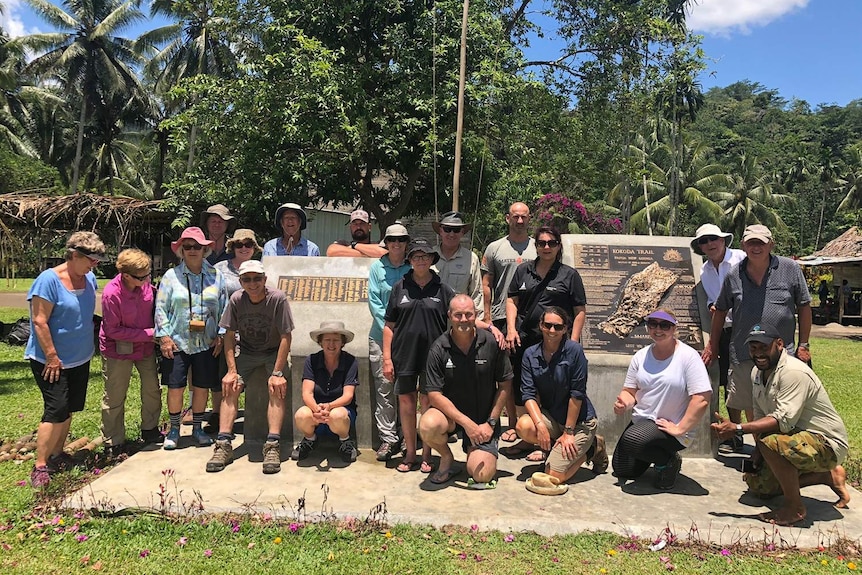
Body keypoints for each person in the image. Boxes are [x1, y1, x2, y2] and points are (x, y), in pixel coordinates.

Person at [712, 323, 850, 526]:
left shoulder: (794, 372)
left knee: (771, 442)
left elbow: (781, 421)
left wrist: (737, 428)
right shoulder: (757, 373)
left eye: (763, 347)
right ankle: (826, 476)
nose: (758, 353)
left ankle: (795, 508)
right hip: (794, 437)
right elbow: (761, 418)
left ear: (779, 344)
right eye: (753, 348)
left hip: (825, 443)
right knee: (759, 487)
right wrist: (757, 454)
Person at [702, 224, 812, 425]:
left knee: (778, 406)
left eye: (760, 243)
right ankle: (746, 441)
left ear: (771, 245)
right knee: (743, 399)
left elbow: (804, 307)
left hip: (781, 354)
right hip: (744, 352)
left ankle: (763, 451)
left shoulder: (790, 269)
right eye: (751, 243)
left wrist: (803, 345)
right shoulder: (734, 274)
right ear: (743, 245)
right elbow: (720, 311)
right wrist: (713, 344)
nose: (756, 247)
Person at [26, 232, 107, 487]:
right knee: (55, 410)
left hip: (79, 358)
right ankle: (40, 465)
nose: (94, 266)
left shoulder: (89, 278)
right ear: (73, 255)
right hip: (52, 360)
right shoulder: (47, 281)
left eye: (96, 261)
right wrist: (51, 357)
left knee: (69, 407)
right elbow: (39, 321)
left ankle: (57, 454)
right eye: (90, 260)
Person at [505, 226, 587, 461]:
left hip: (557, 343)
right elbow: (512, 300)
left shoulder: (568, 275)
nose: (546, 247)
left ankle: (546, 443)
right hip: (525, 339)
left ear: (558, 246)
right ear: (536, 246)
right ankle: (530, 438)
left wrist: (571, 343)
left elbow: (579, 310)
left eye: (551, 243)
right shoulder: (523, 271)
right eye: (541, 243)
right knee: (525, 389)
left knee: (551, 390)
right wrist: (511, 329)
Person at [206, 260, 294, 474]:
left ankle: (272, 444)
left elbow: (285, 336)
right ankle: (224, 443)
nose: (252, 283)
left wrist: (277, 372)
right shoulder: (236, 299)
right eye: (247, 279)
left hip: (272, 352)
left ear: (264, 280)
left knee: (276, 388)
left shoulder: (277, 299)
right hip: (246, 352)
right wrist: (232, 370)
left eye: (257, 279)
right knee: (230, 386)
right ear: (241, 281)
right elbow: (228, 336)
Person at [612, 309, 712, 490]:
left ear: (674, 328)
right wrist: (624, 403)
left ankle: (668, 461)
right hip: (643, 422)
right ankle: (653, 453)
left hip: (671, 426)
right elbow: (629, 391)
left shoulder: (688, 357)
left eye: (664, 325)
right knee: (623, 469)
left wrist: (681, 428)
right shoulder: (640, 356)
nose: (658, 329)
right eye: (653, 324)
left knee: (633, 440)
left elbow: (702, 398)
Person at [419, 295, 513, 486]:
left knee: (481, 475)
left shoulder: (492, 343)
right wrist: (466, 424)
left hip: (483, 421)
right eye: (458, 315)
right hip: (452, 419)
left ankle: (477, 450)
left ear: (476, 315)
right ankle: (447, 458)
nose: (463, 320)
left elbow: (505, 385)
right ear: (449, 316)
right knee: (427, 425)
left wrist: (491, 422)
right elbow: (434, 395)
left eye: (468, 314)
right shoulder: (438, 348)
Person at [383, 238, 456, 473]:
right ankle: (410, 454)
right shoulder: (399, 287)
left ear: (432, 259)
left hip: (433, 357)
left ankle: (427, 454)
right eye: (416, 257)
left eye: (425, 256)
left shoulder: (443, 289)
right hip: (404, 354)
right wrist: (386, 358)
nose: (421, 260)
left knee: (427, 402)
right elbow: (389, 325)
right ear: (410, 261)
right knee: (406, 402)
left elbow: (455, 321)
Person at [513, 307, 606, 482]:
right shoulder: (530, 354)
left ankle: (593, 449)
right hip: (553, 417)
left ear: (565, 329)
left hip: (579, 422)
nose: (552, 331)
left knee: (553, 476)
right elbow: (528, 394)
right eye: (548, 325)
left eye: (558, 326)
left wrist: (569, 432)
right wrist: (540, 425)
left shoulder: (574, 351)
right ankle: (554, 449)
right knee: (524, 426)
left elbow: (577, 394)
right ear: (541, 326)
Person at [155, 227, 226, 450]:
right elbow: (160, 309)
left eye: (197, 246)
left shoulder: (216, 275)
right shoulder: (170, 276)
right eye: (188, 246)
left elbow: (224, 308)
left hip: (207, 341)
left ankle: (197, 428)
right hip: (177, 340)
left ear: (205, 249)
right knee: (175, 386)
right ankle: (175, 430)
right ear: (181, 250)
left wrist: (222, 335)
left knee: (202, 386)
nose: (193, 250)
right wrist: (164, 337)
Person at [99, 248, 162, 458]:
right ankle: (113, 441)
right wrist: (147, 334)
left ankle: (150, 429)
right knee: (115, 395)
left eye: (148, 274)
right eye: (141, 276)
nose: (146, 279)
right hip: (118, 349)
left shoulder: (146, 286)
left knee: (152, 389)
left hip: (145, 348)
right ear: (126, 275)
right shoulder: (111, 294)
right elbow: (112, 330)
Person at [481, 201, 536, 441]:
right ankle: (513, 423)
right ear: (507, 218)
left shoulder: (539, 247)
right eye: (516, 216)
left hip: (533, 319)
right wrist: (488, 317)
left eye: (524, 217)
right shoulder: (495, 248)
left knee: (530, 372)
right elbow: (486, 285)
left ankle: (532, 424)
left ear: (529, 218)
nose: (520, 221)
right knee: (507, 373)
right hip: (502, 317)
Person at [691, 223, 746, 452]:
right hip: (723, 330)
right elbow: (711, 299)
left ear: (723, 240)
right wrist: (713, 306)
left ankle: (750, 431)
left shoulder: (740, 259)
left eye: (713, 238)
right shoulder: (705, 271)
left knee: (745, 381)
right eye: (704, 241)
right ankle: (735, 434)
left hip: (746, 328)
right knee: (727, 382)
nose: (709, 244)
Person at [367, 223, 412, 461]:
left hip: (408, 339)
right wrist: (390, 326)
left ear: (406, 243)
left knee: (406, 389)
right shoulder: (377, 268)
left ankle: (407, 437)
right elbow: (374, 301)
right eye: (392, 240)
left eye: (401, 240)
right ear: (386, 242)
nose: (396, 244)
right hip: (380, 336)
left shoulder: (412, 266)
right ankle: (388, 439)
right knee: (384, 389)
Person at [291, 321, 360, 464]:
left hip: (341, 412)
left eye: (336, 340)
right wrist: (317, 409)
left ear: (342, 343)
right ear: (320, 342)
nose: (331, 344)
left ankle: (345, 441)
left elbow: (348, 395)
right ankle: (310, 439)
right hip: (316, 411)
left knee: (338, 414)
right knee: (301, 414)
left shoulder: (350, 361)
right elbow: (307, 393)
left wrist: (329, 407)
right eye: (327, 340)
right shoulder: (311, 360)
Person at [432, 211, 486, 324]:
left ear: (462, 233)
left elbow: (476, 293)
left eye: (456, 230)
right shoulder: (428, 256)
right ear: (440, 231)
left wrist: (477, 322)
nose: (451, 234)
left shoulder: (471, 258)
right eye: (447, 229)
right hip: (432, 319)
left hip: (460, 321)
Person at [214, 229, 262, 299]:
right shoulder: (220, 268)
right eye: (239, 245)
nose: (244, 248)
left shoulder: (261, 269)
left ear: (254, 248)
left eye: (248, 245)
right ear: (233, 248)